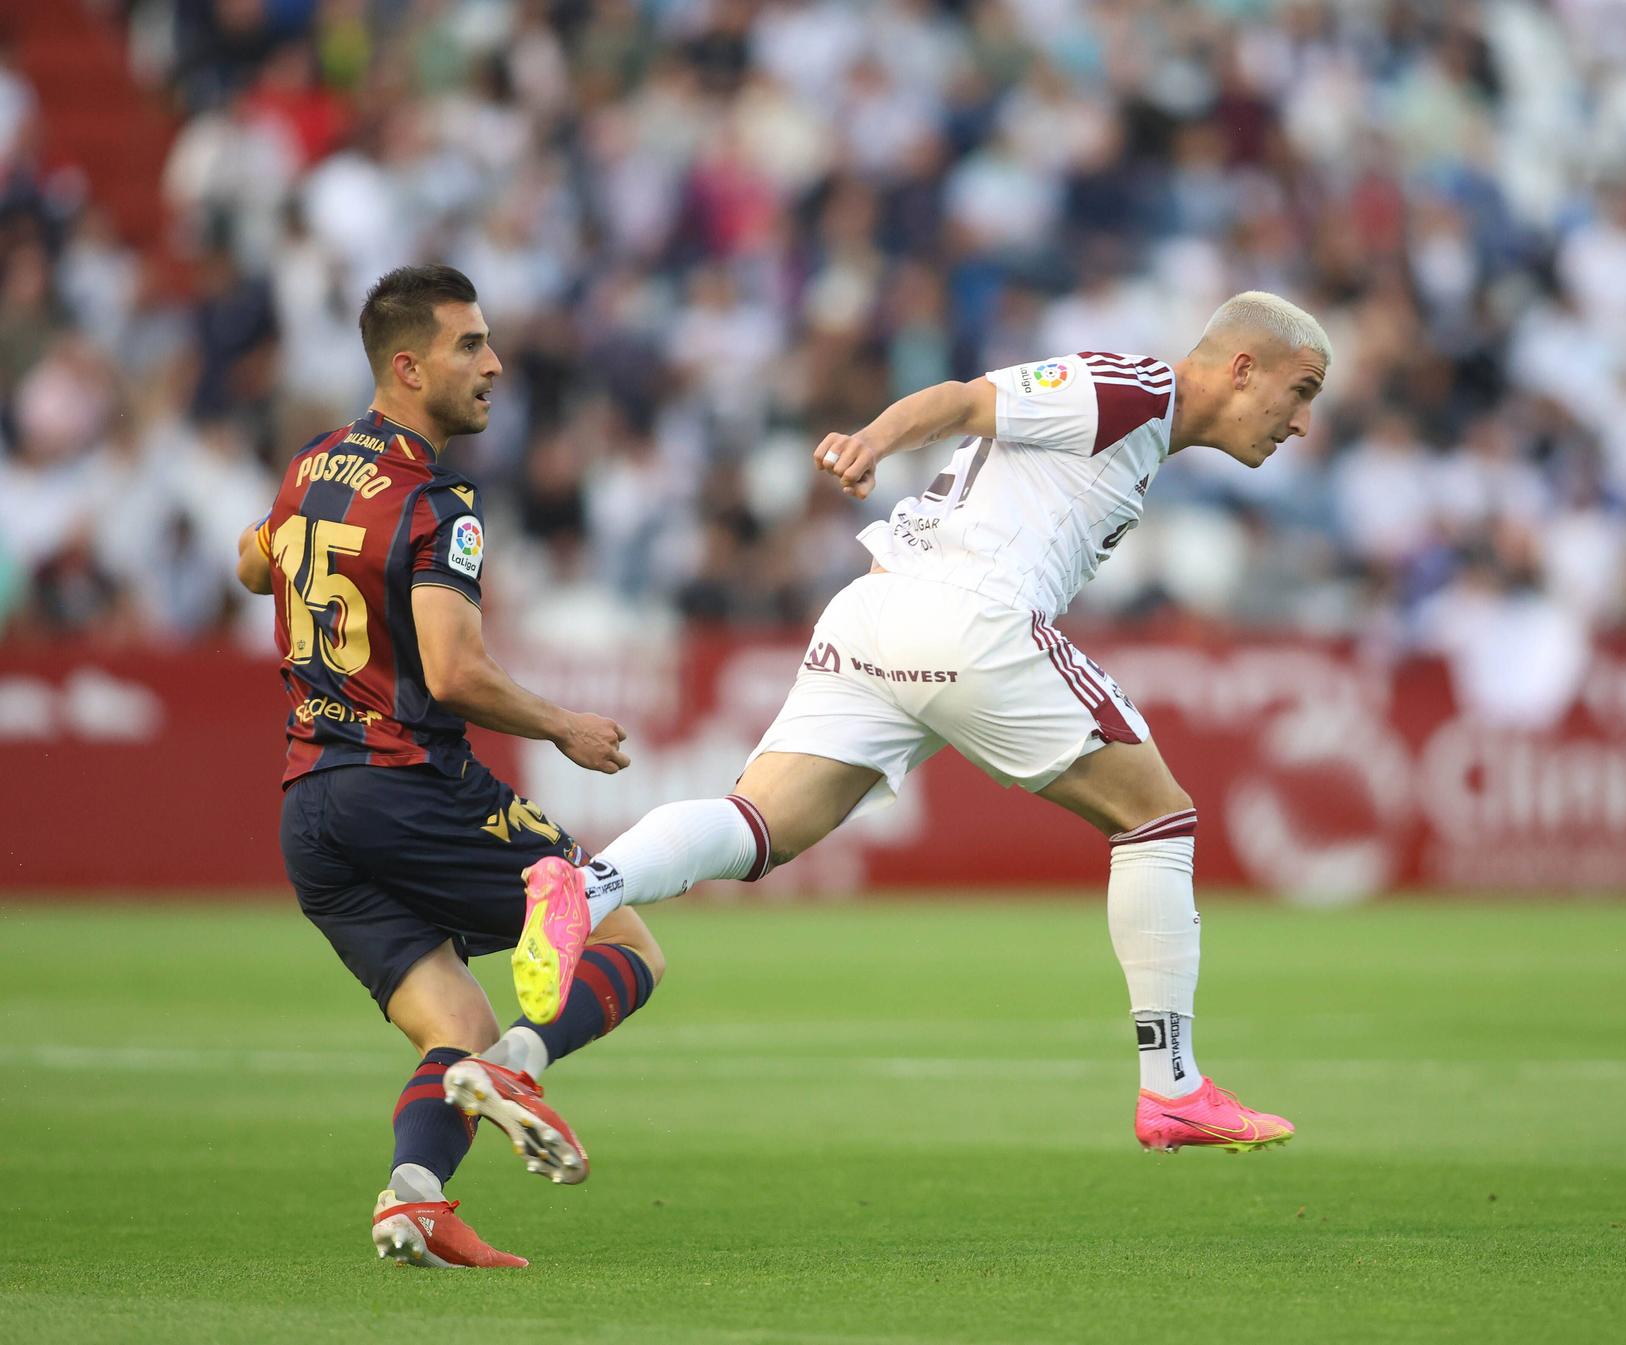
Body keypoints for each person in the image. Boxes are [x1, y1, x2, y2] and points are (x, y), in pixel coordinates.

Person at [513, 291, 1329, 1153]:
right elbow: (967, 398)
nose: (1303, 422)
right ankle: (1172, 1086)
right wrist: (872, 442)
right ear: (1243, 368)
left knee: (761, 827)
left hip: (876, 611)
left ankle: (584, 885)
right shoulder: (1130, 385)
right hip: (972, 616)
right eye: (1302, 390)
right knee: (1158, 815)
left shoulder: (1144, 428)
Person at [236, 264, 663, 1267]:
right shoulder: (437, 502)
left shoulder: (312, 466)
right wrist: (562, 725)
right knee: (628, 939)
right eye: (469, 346)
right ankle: (519, 1069)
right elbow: (453, 668)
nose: (494, 364)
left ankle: (413, 1198)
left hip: (312, 811)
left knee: (455, 1020)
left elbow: (253, 564)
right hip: (406, 786)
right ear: (405, 363)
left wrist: (288, 555)